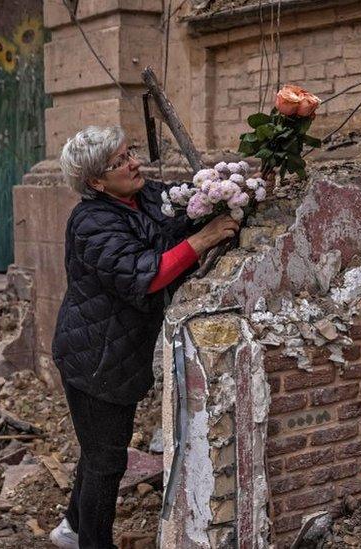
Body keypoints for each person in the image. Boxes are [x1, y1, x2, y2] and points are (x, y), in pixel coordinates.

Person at [49, 125, 239, 548]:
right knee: (107, 459)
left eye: (129, 151)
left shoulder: (144, 195)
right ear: (96, 181)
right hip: (94, 358)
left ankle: (72, 527)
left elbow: (183, 207)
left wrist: (226, 187)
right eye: (119, 162)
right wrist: (203, 240)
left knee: (98, 446)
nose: (133, 162)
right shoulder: (91, 222)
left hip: (119, 351)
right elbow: (147, 275)